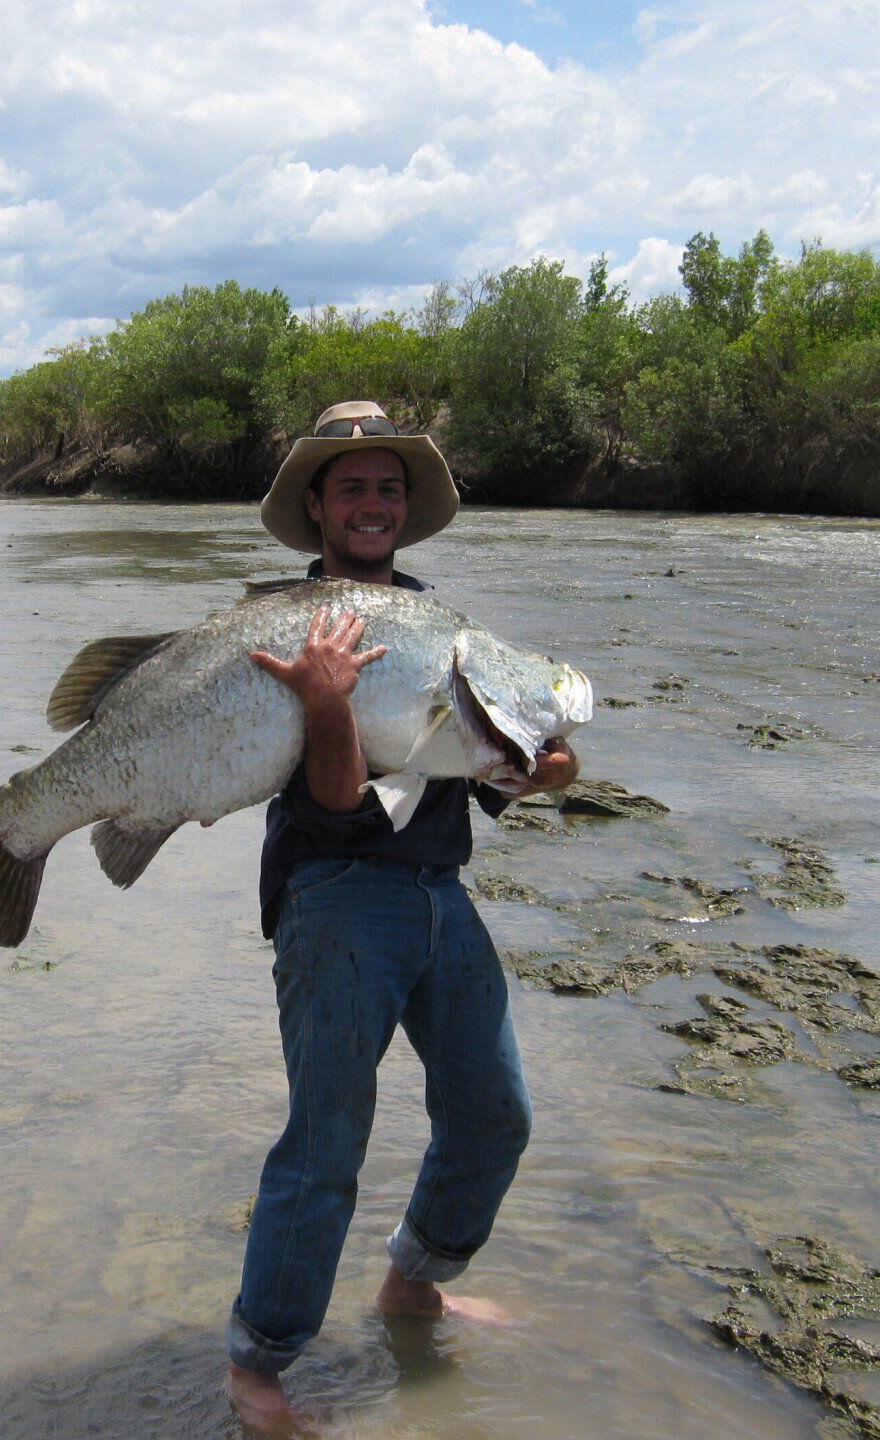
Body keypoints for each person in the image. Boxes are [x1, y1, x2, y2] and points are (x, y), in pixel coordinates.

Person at [224, 401, 579, 1433]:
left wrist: (551, 765)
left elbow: (508, 768)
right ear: (317, 509)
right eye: (352, 488)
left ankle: (414, 1281)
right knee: (327, 1140)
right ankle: (259, 1362)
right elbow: (334, 807)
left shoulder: (436, 625)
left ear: (406, 510)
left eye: (389, 488)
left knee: (493, 1114)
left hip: (438, 893)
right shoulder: (287, 631)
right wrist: (327, 702)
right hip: (334, 900)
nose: (373, 504)